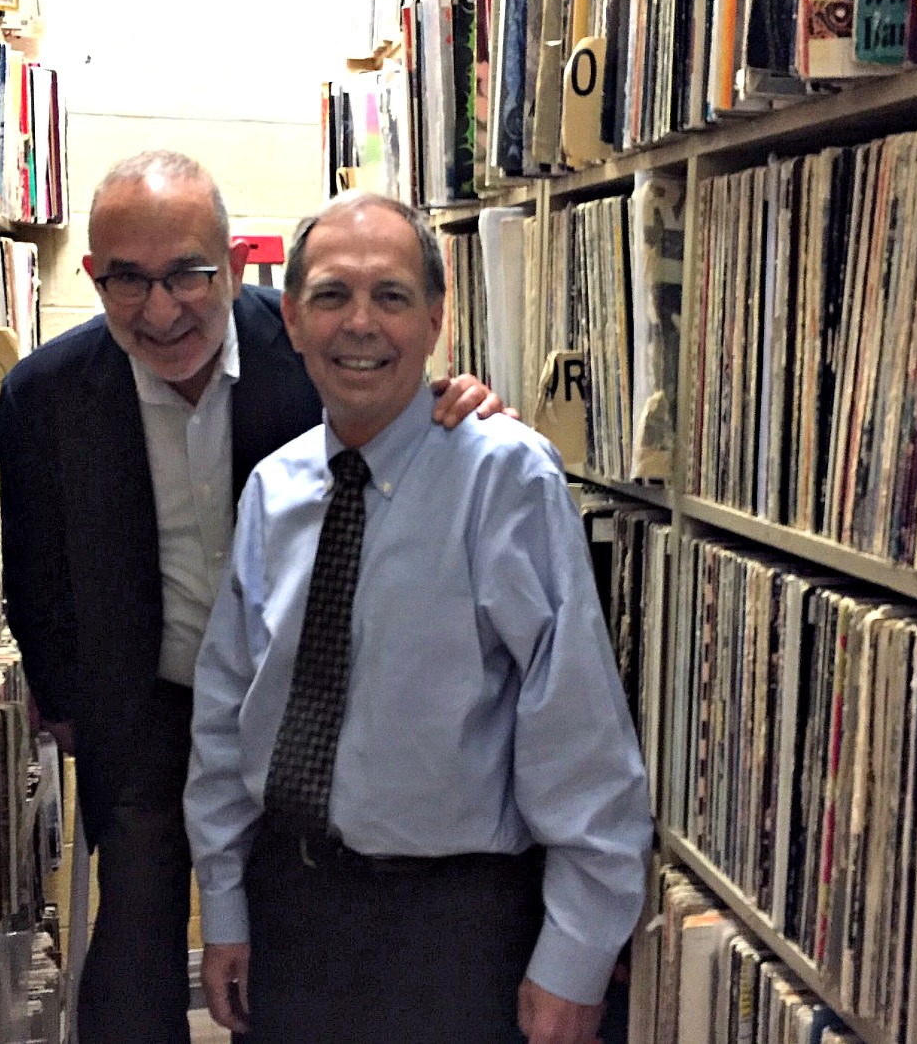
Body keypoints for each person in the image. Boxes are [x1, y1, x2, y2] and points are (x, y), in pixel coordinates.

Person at [0, 152, 503, 1043]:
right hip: (143, 705)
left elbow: (400, 414)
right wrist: (71, 704)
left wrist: (462, 405)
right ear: (91, 276)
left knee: (277, 925)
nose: (162, 309)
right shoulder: (42, 395)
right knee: (136, 936)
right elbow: (34, 571)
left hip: (299, 702)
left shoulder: (309, 343)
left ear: (233, 263)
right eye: (127, 280)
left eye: (189, 273)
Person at [185, 192, 652, 1044]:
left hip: (455, 932)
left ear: (437, 319)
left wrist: (575, 953)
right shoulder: (274, 488)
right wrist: (224, 901)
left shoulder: (505, 479)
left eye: (391, 296)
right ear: (291, 318)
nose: (360, 323)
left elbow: (578, 731)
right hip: (292, 910)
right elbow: (226, 716)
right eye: (331, 295)